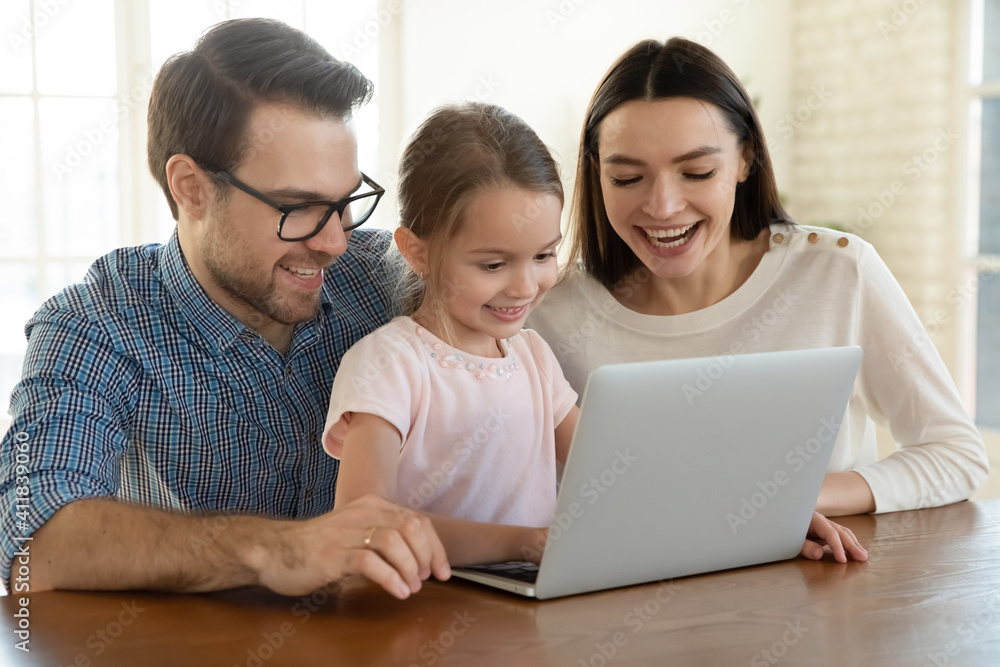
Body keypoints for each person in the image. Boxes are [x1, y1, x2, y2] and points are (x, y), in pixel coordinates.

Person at [0, 18, 449, 599]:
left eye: (344, 203)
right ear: (190, 188)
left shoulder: (382, 276)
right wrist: (276, 549)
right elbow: (36, 545)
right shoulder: (95, 324)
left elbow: (516, 291)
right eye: (299, 207)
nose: (335, 242)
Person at [528, 37, 989, 525]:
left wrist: (792, 499)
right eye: (627, 179)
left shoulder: (837, 273)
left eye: (697, 172)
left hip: (820, 591)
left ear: (745, 159)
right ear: (598, 174)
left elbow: (955, 454)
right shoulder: (548, 314)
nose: (662, 207)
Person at [324, 102, 579, 565]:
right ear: (416, 252)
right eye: (494, 264)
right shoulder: (390, 364)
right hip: (427, 615)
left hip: (534, 608)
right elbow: (364, 522)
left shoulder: (534, 357)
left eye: (544, 255)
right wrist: (526, 544)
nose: (525, 286)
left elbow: (609, 463)